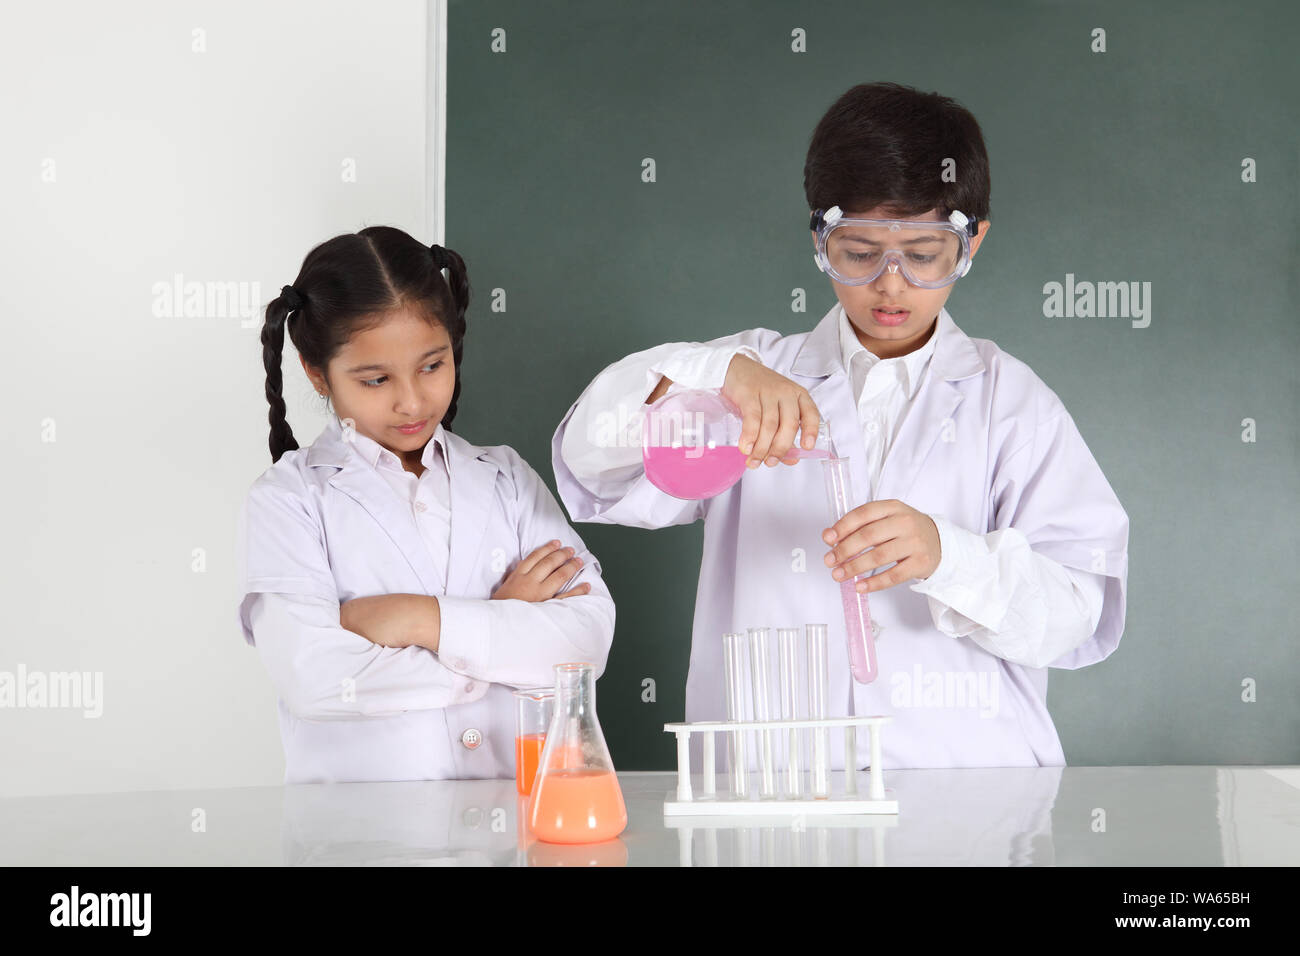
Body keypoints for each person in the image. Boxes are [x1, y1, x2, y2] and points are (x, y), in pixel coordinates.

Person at [551, 82, 1129, 769]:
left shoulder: (1010, 404)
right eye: (859, 251)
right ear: (820, 239)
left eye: (924, 252)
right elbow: (593, 456)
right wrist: (714, 373)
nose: (890, 284)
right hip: (775, 792)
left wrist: (949, 556)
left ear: (972, 241)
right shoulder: (750, 378)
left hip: (968, 792)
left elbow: (1075, 614)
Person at [237, 226, 615, 783]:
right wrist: (499, 628)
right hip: (365, 838)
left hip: (518, 829)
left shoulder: (505, 477)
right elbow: (316, 678)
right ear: (317, 372)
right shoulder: (288, 501)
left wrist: (419, 619)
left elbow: (584, 641)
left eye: (433, 366)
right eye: (374, 379)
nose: (412, 400)